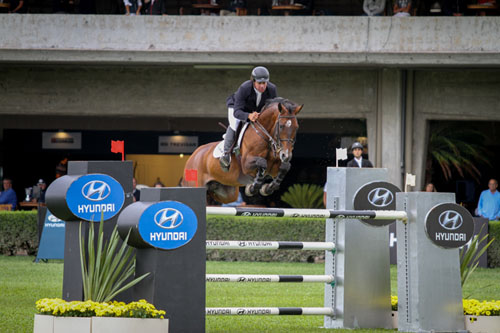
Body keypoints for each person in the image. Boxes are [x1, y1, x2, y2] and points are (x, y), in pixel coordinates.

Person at [219, 66, 278, 170]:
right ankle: (226, 154)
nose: (262, 86)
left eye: (264, 83)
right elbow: (237, 112)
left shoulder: (272, 89)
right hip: (238, 108)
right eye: (259, 83)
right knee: (234, 124)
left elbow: (272, 109)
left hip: (257, 111)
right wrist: (248, 116)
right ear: (253, 81)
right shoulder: (245, 88)